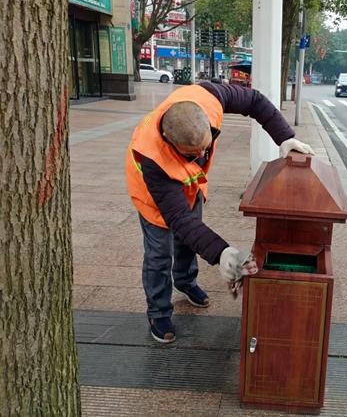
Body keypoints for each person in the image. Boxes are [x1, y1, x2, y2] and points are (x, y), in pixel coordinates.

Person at [126, 82, 314, 343]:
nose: (203, 155)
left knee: (189, 239)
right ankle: (158, 311)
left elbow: (255, 101)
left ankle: (185, 281)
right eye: (193, 154)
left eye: (207, 145)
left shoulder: (208, 97)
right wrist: (222, 252)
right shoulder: (153, 159)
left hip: (189, 184)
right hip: (152, 196)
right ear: (170, 142)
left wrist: (285, 137)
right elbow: (178, 219)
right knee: (159, 253)